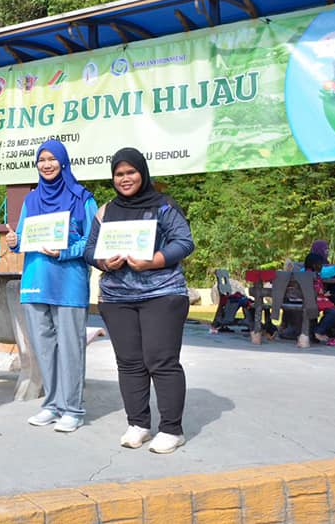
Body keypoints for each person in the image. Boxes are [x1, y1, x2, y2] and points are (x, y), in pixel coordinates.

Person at [84, 147, 194, 454]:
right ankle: (138, 424)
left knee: (161, 360)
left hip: (161, 294)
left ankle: (172, 429)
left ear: (142, 173)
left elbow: (184, 242)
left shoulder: (163, 206)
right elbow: (89, 249)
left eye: (131, 172)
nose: (125, 178)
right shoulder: (106, 210)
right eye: (119, 174)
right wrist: (104, 262)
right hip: (117, 297)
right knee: (129, 363)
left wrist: (155, 260)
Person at [5, 139, 97, 433]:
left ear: (63, 162)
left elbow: (93, 242)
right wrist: (14, 242)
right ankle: (52, 404)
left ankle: (73, 408)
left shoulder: (82, 197)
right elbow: (21, 238)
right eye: (41, 159)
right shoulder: (31, 200)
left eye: (52, 159)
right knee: (44, 348)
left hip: (69, 283)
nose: (46, 164)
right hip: (36, 281)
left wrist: (65, 251)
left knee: (70, 347)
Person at [303, 252, 335, 343]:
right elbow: (316, 289)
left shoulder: (305, 273)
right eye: (320, 265)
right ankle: (319, 331)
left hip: (306, 299)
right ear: (314, 265)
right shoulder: (313, 276)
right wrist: (324, 293)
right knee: (333, 312)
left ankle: (315, 332)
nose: (322, 267)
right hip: (313, 300)